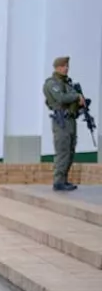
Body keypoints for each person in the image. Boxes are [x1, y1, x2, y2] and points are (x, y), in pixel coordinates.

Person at [44, 56, 87, 191]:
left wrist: (81, 101)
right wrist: (76, 96)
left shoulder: (68, 84)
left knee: (70, 151)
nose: (66, 68)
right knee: (62, 151)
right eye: (63, 66)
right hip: (61, 120)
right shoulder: (52, 83)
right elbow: (61, 98)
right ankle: (58, 181)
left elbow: (73, 99)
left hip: (71, 120)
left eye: (67, 66)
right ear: (57, 67)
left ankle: (64, 179)